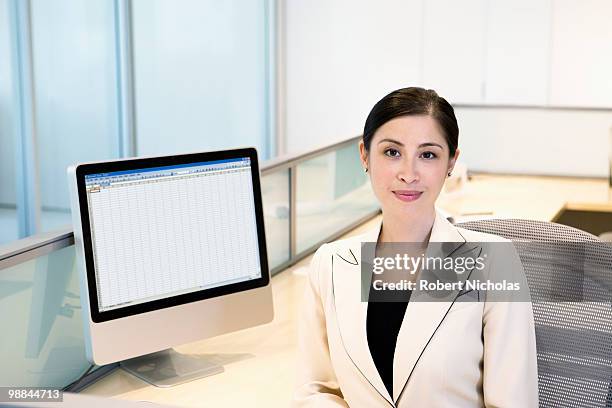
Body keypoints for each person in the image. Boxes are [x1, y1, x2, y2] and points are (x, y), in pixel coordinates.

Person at [292, 87, 538, 407]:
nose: (408, 174)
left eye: (428, 155)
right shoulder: (331, 264)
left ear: (451, 162)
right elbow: (316, 390)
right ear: (365, 156)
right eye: (392, 152)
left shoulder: (494, 263)